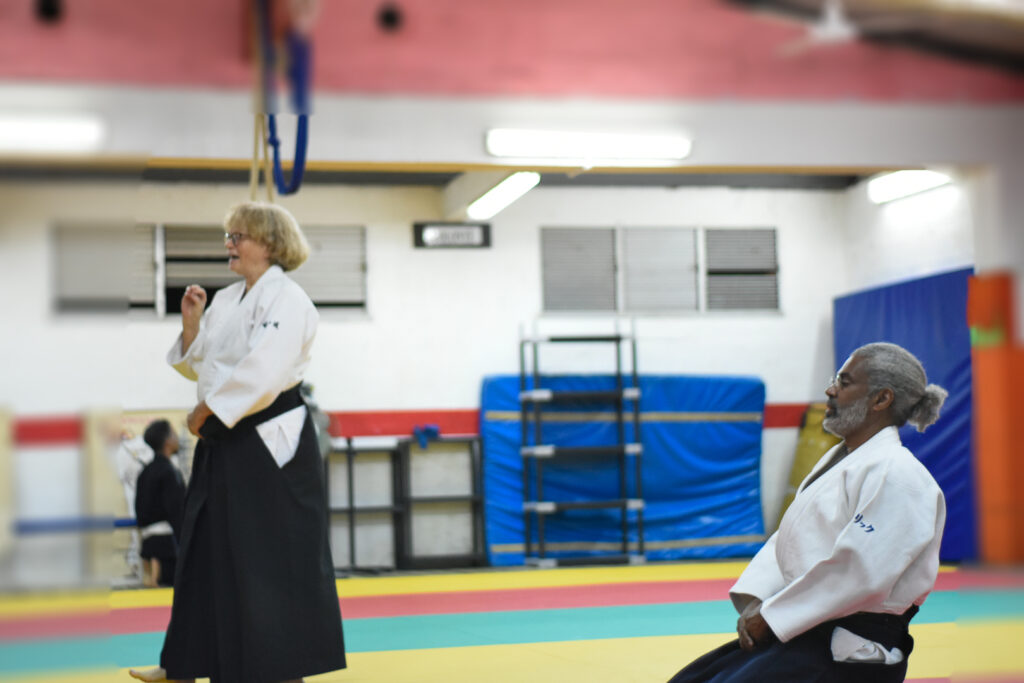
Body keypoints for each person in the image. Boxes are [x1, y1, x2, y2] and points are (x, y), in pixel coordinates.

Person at [129, 201, 345, 683]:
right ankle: (185, 661)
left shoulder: (288, 299)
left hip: (268, 438)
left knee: (265, 557)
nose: (229, 244)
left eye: (238, 236)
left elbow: (263, 372)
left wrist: (207, 412)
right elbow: (202, 364)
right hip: (221, 434)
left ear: (269, 243)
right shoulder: (227, 300)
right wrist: (191, 325)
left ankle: (273, 668)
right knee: (205, 546)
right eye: (228, 236)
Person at [667, 342, 948, 683]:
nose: (830, 390)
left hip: (848, 647)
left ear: (881, 399)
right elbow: (793, 536)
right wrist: (760, 600)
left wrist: (774, 615)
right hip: (806, 625)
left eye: (844, 383)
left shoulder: (900, 475)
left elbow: (860, 570)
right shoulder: (842, 461)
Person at [134, 419, 185, 588]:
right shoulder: (170, 473)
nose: (177, 438)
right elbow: (177, 512)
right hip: (167, 549)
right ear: (168, 441)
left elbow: (140, 512)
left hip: (148, 548)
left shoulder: (144, 473)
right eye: (174, 433)